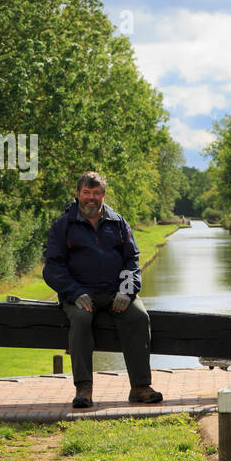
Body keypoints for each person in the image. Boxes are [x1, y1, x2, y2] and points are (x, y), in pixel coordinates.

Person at [43, 172, 163, 409]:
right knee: (80, 319)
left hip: (115, 292)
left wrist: (127, 292)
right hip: (79, 294)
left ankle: (140, 386)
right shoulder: (63, 225)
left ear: (103, 195)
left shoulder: (118, 222)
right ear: (78, 194)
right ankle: (84, 388)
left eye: (96, 193)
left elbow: (132, 259)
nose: (91, 198)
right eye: (86, 193)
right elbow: (53, 267)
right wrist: (74, 293)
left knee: (139, 317)